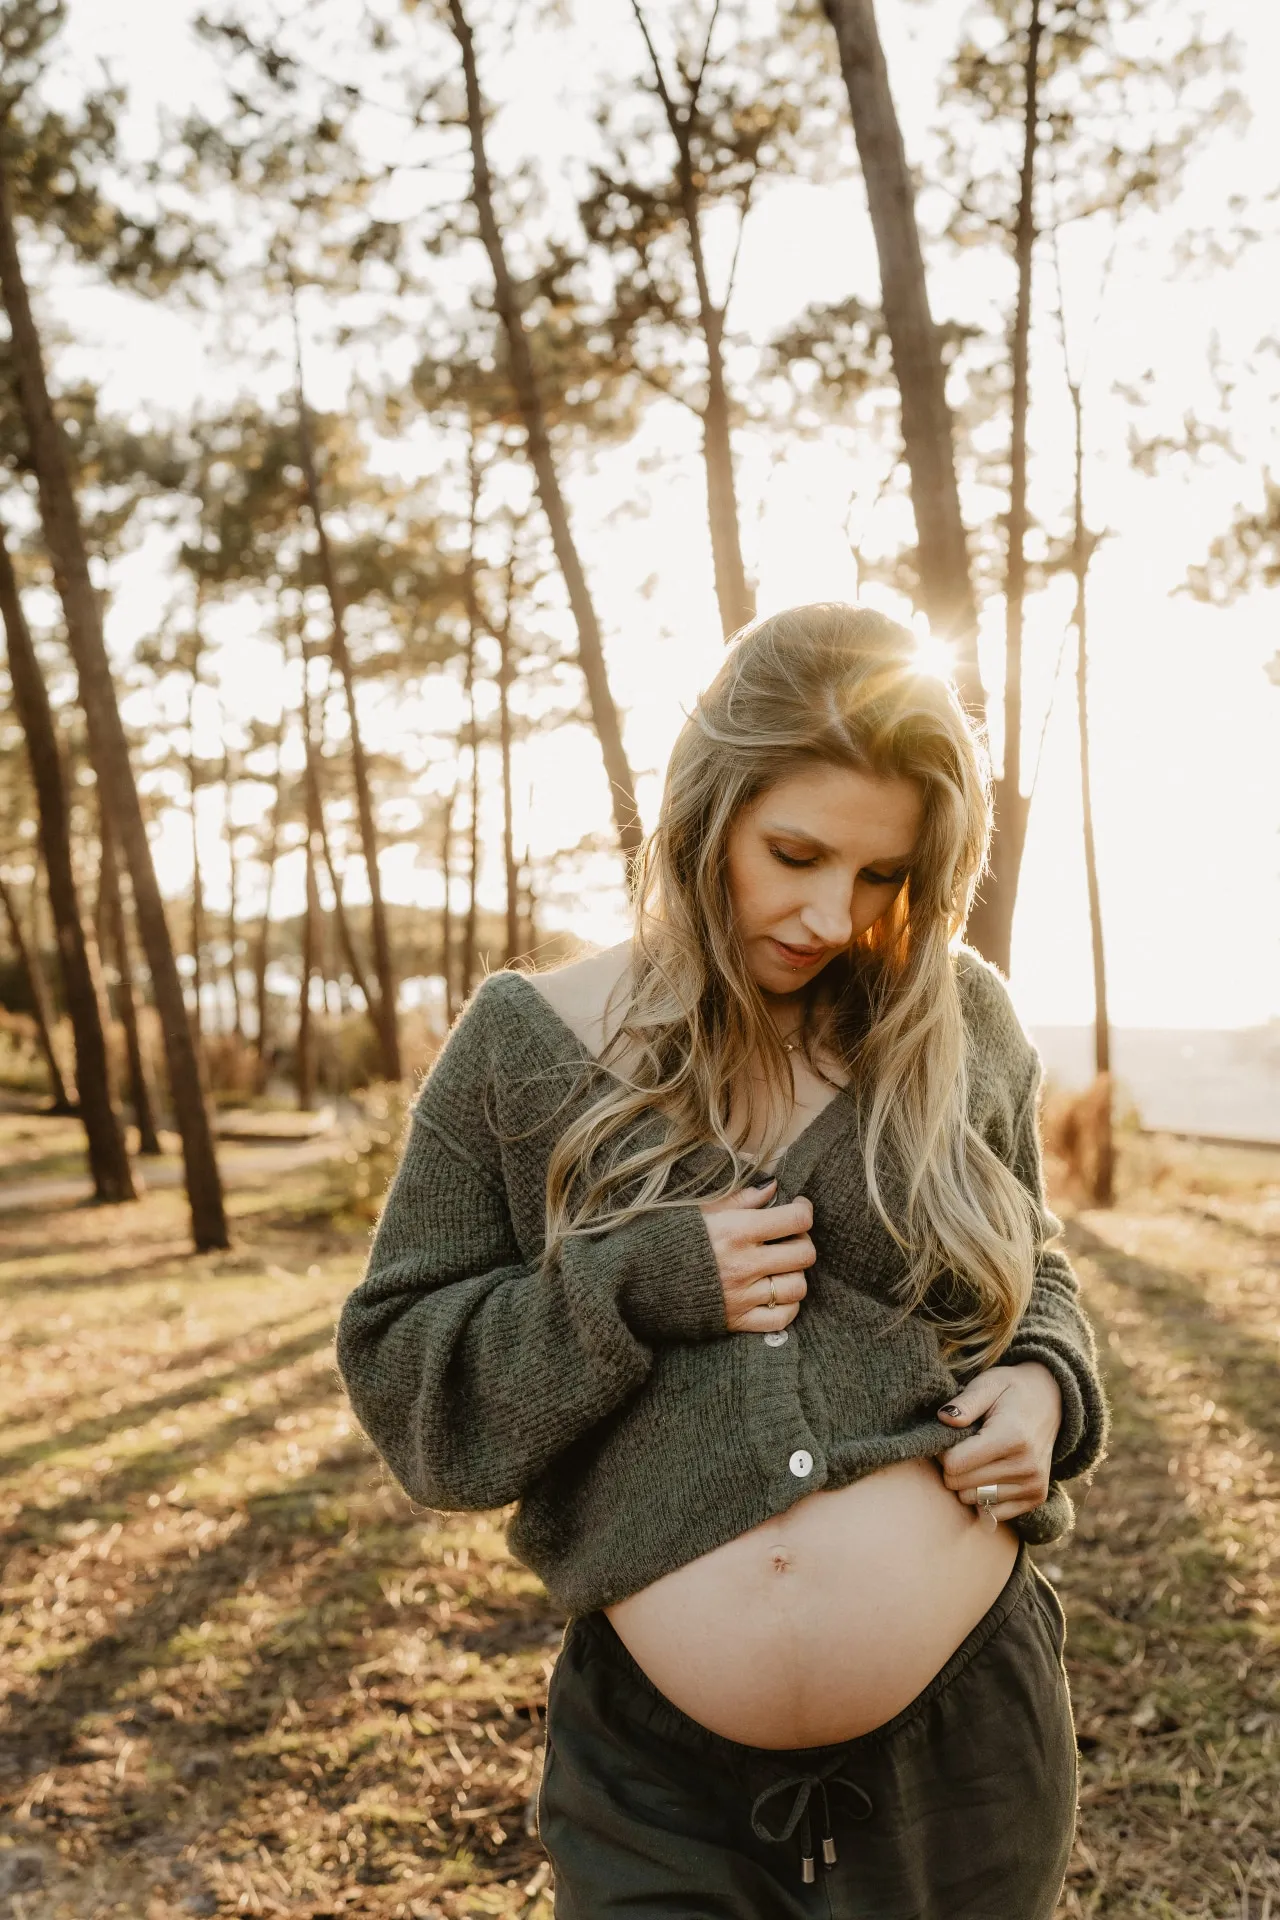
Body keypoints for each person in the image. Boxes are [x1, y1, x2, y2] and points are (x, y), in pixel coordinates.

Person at [337, 604, 1110, 1919]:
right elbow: (408, 1374)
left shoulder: (957, 1020)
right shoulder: (525, 1049)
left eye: (883, 875)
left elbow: (1032, 1269)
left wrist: (1044, 1387)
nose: (832, 916)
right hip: (657, 1784)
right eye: (794, 854)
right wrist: (631, 1284)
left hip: (966, 1748)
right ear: (707, 811)